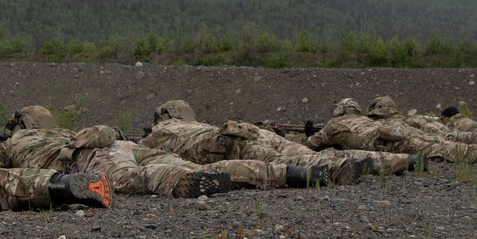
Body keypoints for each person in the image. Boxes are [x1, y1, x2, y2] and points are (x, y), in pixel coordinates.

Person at [0, 105, 329, 195]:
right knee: (180, 163)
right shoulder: (65, 131)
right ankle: (289, 174)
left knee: (142, 178)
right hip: (124, 144)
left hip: (93, 158)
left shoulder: (17, 143)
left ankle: (179, 182)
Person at [138, 99, 415, 180]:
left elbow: (140, 154)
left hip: (228, 144)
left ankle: (337, 169)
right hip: (249, 132)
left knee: (300, 160)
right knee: (297, 151)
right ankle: (398, 161)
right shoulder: (194, 124)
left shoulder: (160, 132)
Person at [305, 97, 477, 165]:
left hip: (391, 144)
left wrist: (307, 134)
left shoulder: (333, 125)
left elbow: (313, 145)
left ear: (337, 112)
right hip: (399, 135)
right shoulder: (364, 120)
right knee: (448, 144)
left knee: (451, 151)